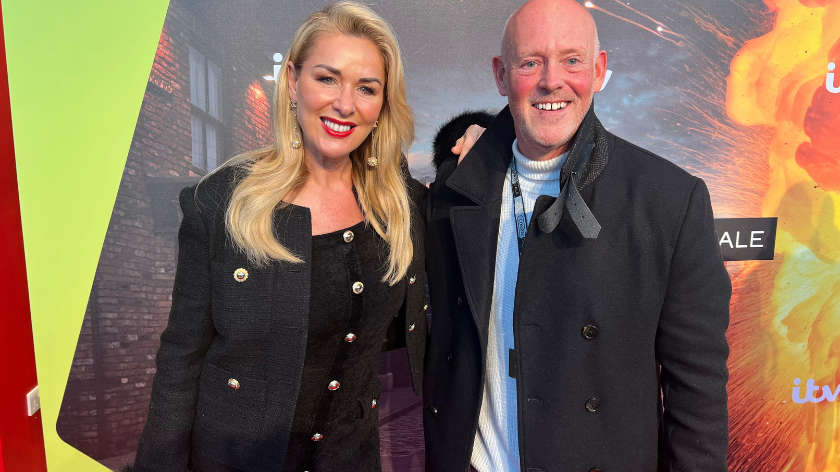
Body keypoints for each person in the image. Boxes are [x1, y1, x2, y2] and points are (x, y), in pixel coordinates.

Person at [423, 0, 731, 471]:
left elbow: (698, 391)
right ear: (501, 75)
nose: (552, 81)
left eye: (572, 60)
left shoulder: (669, 200)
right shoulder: (458, 187)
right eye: (530, 63)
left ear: (599, 70)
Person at [133, 2, 426, 471]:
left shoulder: (397, 202)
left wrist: (478, 142)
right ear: (292, 81)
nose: (345, 104)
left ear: (382, 104)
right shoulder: (223, 202)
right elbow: (181, 357)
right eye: (327, 78)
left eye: (366, 88)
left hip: (350, 459)